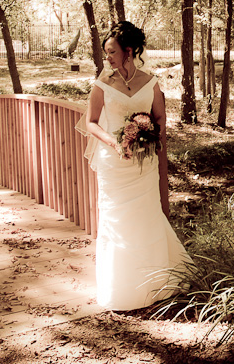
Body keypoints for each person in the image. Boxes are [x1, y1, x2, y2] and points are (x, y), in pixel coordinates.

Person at [76, 21, 191, 311]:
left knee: (146, 216)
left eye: (112, 52)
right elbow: (91, 122)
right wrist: (115, 144)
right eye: (105, 53)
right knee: (117, 220)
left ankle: (156, 284)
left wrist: (149, 138)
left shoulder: (150, 82)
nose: (108, 58)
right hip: (113, 165)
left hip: (144, 163)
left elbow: (160, 119)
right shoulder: (102, 84)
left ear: (129, 51)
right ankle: (122, 289)